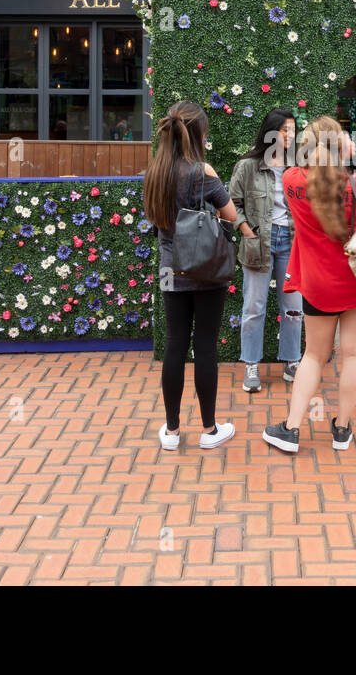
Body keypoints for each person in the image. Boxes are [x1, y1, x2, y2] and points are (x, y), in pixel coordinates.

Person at [263, 116, 356, 453]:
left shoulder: (291, 181)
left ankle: (292, 429)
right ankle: (342, 429)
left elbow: (302, 169)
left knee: (314, 355)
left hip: (317, 284)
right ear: (340, 146)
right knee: (354, 353)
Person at [143, 101, 238, 451]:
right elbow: (229, 215)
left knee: (175, 343)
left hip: (170, 268)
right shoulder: (203, 173)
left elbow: (155, 220)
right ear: (198, 134)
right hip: (207, 270)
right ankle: (210, 430)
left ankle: (170, 431)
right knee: (206, 346)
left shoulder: (156, 172)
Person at [229, 108, 302, 392]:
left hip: (291, 242)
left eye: (293, 130)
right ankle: (251, 365)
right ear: (271, 132)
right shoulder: (248, 166)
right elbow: (231, 204)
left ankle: (291, 361)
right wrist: (246, 230)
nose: (290, 135)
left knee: (294, 308)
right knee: (254, 306)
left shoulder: (298, 165)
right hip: (258, 242)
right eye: (285, 130)